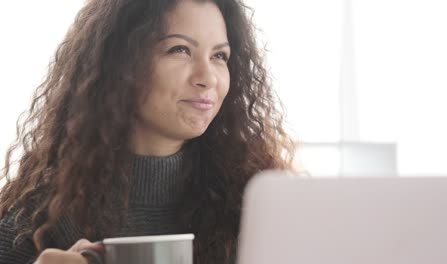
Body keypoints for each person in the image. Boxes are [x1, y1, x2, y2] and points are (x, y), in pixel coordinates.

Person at [0, 0, 294, 263]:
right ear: (119, 64)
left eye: (220, 56)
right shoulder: (37, 214)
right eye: (179, 50)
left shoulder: (259, 202)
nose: (208, 78)